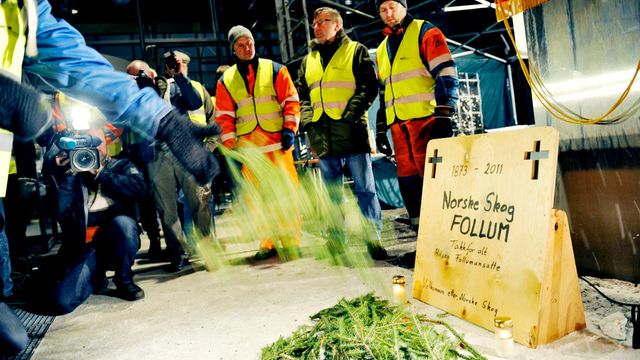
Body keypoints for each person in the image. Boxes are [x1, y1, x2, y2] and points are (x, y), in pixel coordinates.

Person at [296, 7, 387, 260]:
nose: (318, 26)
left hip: (352, 132)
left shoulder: (355, 51)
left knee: (365, 190)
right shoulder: (308, 61)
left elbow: (369, 87)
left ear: (338, 25)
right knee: (332, 194)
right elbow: (303, 96)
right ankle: (337, 242)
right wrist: (308, 124)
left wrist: (349, 116)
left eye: (325, 21)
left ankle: (373, 238)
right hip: (323, 136)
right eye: (315, 22)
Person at [33, 124, 147, 314]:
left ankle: (124, 277)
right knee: (63, 301)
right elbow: (60, 213)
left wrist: (101, 174)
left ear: (108, 144)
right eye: (88, 144)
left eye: (98, 143)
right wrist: (65, 176)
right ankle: (96, 274)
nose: (95, 148)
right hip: (86, 249)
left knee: (124, 224)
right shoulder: (74, 172)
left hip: (116, 240)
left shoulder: (122, 165)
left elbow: (140, 189)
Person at [215, 25, 301, 260]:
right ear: (233, 49)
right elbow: (224, 117)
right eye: (241, 45)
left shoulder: (276, 70)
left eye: (250, 43)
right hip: (250, 151)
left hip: (278, 145)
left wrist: (289, 129)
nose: (247, 48)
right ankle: (267, 242)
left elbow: (291, 102)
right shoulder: (226, 80)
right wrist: (231, 148)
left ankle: (291, 240)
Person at [375, 0, 459, 231]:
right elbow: (385, 90)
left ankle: (446, 237)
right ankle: (421, 239)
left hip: (426, 121)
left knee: (435, 179)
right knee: (409, 182)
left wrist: (444, 113)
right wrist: (381, 126)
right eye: (383, 10)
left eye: (392, 6)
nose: (388, 13)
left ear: (404, 6)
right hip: (398, 127)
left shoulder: (425, 32)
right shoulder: (382, 49)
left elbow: (445, 72)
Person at [148, 51, 219, 272]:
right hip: (160, 153)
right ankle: (177, 253)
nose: (177, 67)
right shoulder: (154, 86)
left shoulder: (194, 87)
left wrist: (208, 147)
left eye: (181, 64)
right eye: (172, 64)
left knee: (200, 203)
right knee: (167, 209)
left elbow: (194, 103)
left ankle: (209, 252)